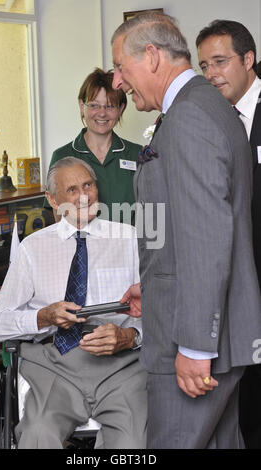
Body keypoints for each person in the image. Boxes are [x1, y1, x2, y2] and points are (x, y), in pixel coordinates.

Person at [111, 12, 261, 449]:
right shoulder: (200, 106)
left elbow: (208, 238)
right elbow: (188, 227)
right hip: (199, 322)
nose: (118, 81)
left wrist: (196, 346)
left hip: (195, 338)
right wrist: (154, 285)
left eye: (122, 67)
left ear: (152, 57)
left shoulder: (190, 116)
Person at [0, 157, 147, 449]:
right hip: (53, 366)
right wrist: (43, 317)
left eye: (88, 185)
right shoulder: (32, 249)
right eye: (72, 190)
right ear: (52, 199)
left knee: (133, 441)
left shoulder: (129, 239)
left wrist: (129, 336)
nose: (84, 196)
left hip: (121, 365)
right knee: (37, 434)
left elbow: (158, 313)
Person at [196, 19, 261, 449]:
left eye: (220, 61)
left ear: (248, 59)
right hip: (235, 282)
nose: (211, 74)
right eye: (204, 65)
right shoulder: (210, 118)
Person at [44, 67, 141, 224]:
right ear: (82, 106)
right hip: (83, 247)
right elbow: (59, 218)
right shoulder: (62, 156)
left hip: (127, 246)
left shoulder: (137, 154)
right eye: (94, 105)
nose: (102, 113)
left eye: (110, 106)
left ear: (121, 109)